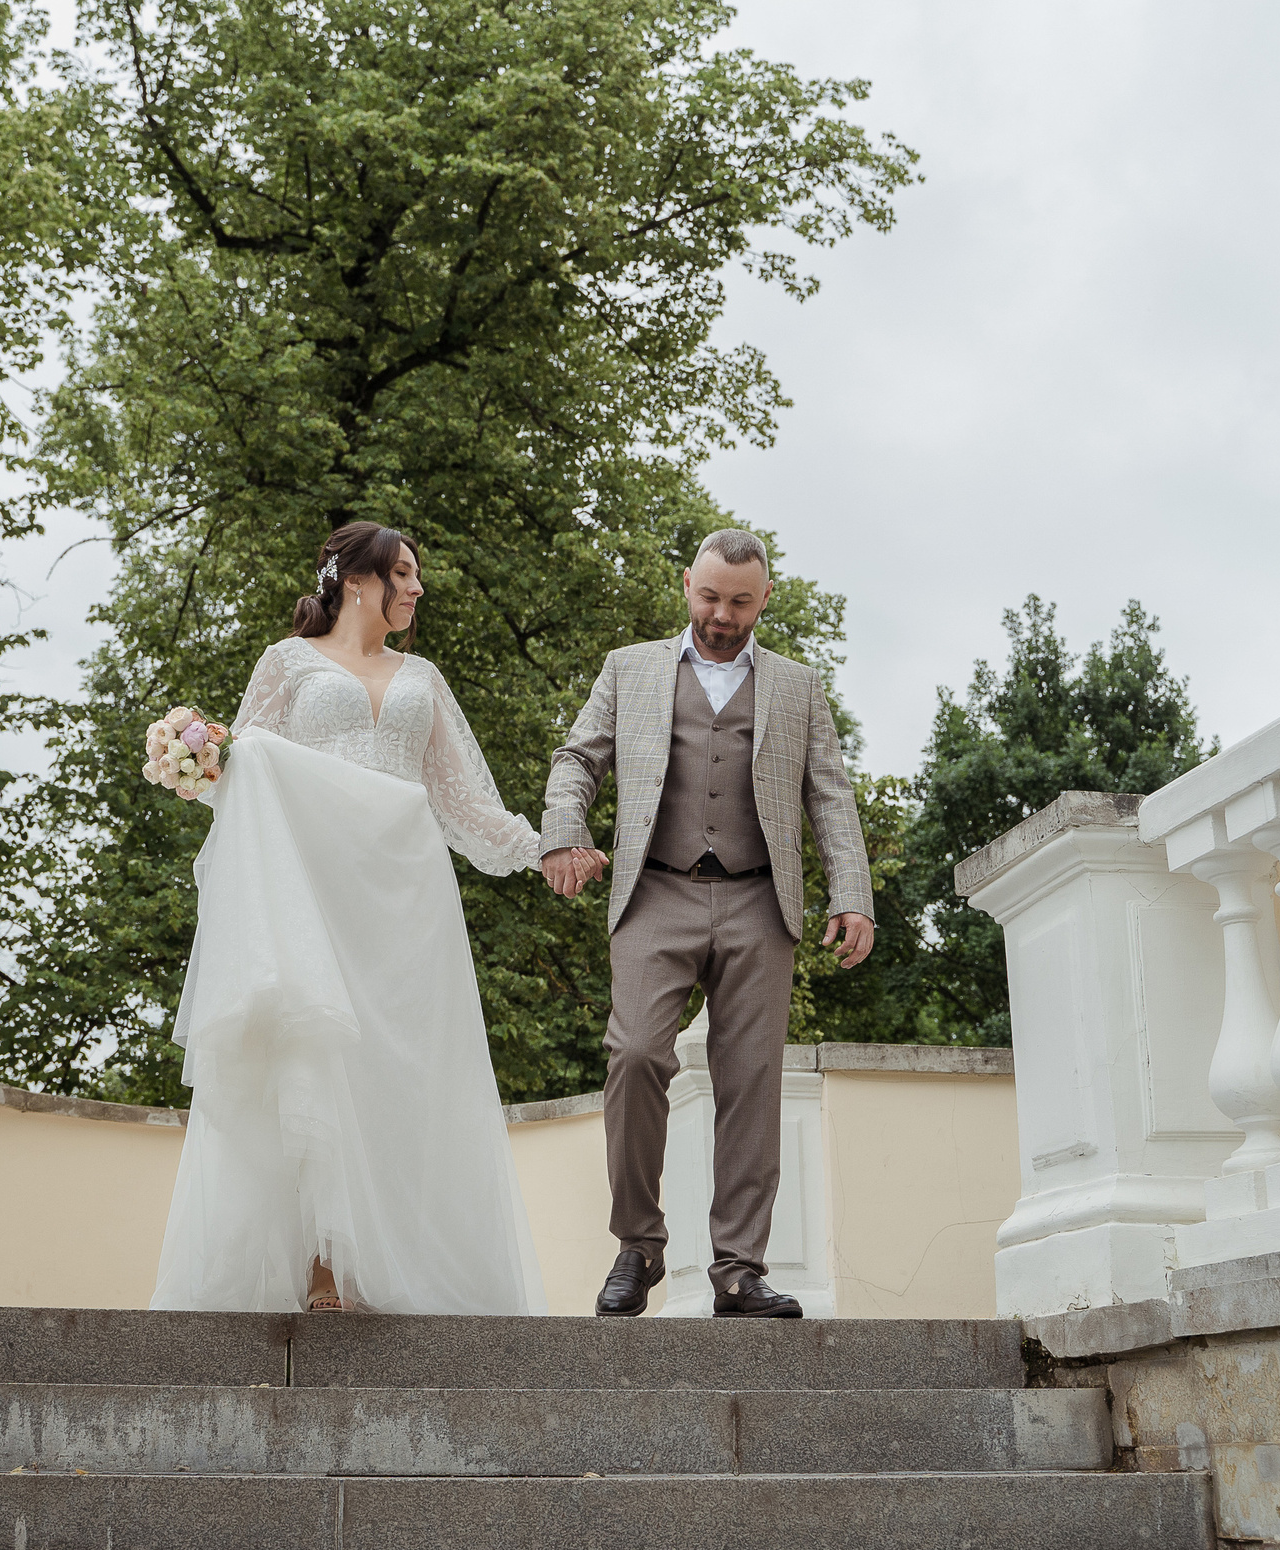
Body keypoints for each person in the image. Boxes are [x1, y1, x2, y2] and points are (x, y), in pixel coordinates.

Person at [148, 521, 548, 1316]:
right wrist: (200, 756)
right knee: (319, 1063)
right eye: (405, 572)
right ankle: (325, 1268)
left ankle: (396, 1254)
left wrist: (546, 849)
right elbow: (248, 772)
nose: (417, 587)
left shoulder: (424, 678)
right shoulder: (287, 663)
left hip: (406, 897)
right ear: (358, 579)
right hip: (318, 892)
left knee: (403, 1075)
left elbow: (464, 803)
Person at [541, 528, 876, 1319]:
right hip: (655, 892)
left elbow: (828, 792)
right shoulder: (631, 668)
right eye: (708, 596)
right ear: (686, 582)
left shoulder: (797, 685)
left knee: (752, 1079)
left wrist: (851, 892)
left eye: (739, 602)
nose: (721, 615)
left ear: (766, 600)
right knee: (633, 1054)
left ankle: (738, 1268)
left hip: (762, 899)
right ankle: (638, 1244)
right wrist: (563, 828)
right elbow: (577, 759)